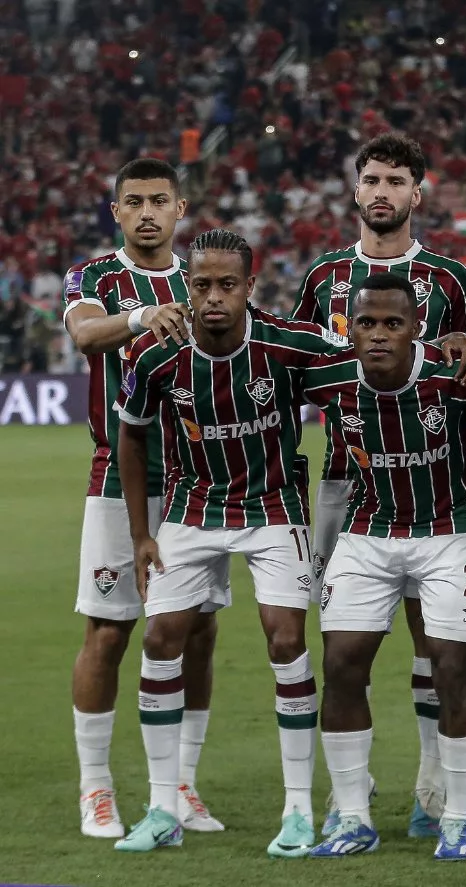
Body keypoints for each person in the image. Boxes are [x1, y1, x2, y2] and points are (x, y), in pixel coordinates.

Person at [112, 230, 336, 856]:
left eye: (227, 285)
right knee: (160, 638)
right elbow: (131, 437)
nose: (214, 297)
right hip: (192, 509)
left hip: (274, 508)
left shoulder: (288, 346)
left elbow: (363, 372)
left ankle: (297, 810)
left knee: (287, 638)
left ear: (249, 287)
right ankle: (162, 807)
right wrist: (140, 534)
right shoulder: (155, 357)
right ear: (187, 286)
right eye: (202, 284)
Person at [291, 133, 466, 840]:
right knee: (345, 646)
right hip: (352, 484)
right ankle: (354, 792)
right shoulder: (322, 277)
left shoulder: (448, 278)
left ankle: (435, 779)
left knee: (433, 643)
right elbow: (306, 370)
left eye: (395, 180)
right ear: (354, 189)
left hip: (438, 484)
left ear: (416, 193)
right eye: (370, 178)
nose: (381, 191)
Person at [63, 158, 222, 839]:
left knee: (199, 632)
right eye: (135, 201)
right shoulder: (93, 277)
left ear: (181, 208)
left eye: (161, 199)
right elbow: (84, 334)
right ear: (117, 211)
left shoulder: (206, 276)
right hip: (115, 477)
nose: (149, 210)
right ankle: (95, 788)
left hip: (199, 480)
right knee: (108, 629)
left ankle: (181, 781)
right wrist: (141, 316)